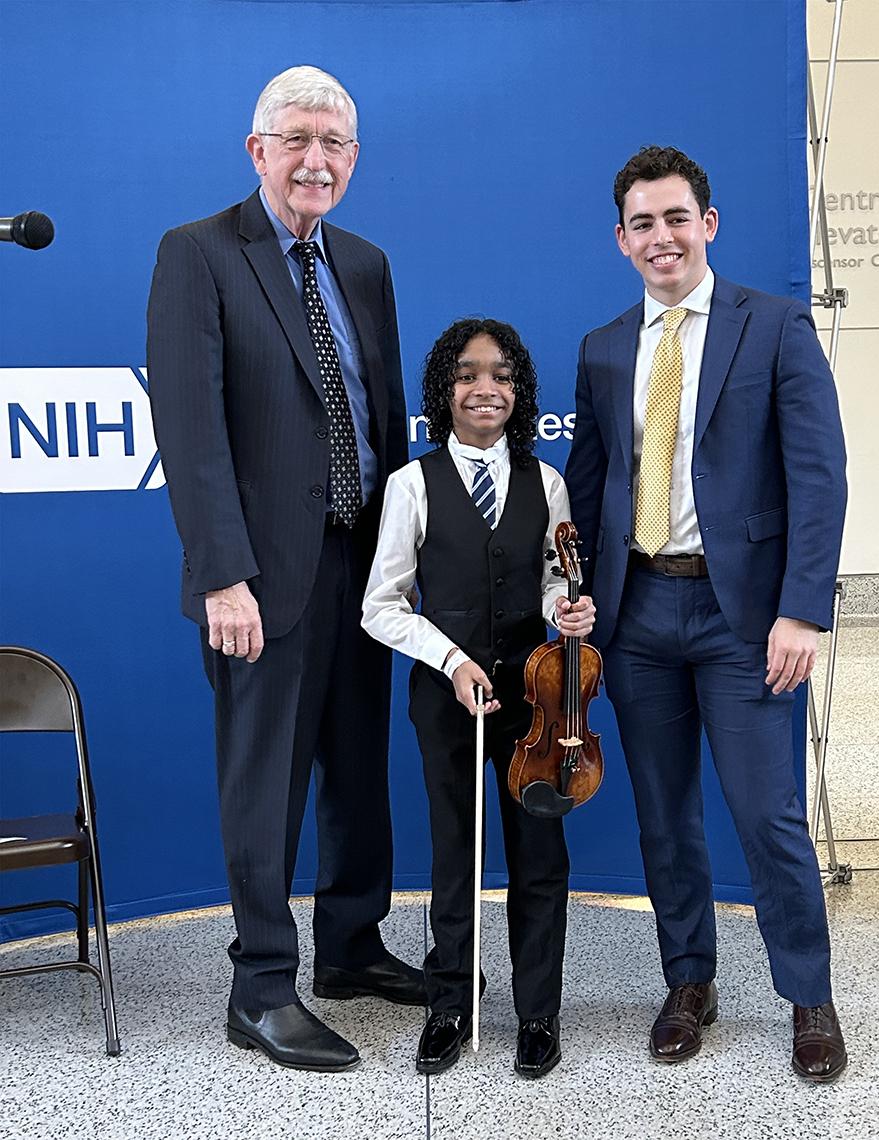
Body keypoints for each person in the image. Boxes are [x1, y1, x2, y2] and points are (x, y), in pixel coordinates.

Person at [146, 65, 423, 1073]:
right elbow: (191, 426)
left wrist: (404, 559)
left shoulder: (365, 262)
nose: (315, 160)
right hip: (260, 578)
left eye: (334, 144)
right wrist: (223, 575)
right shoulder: (199, 255)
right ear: (257, 149)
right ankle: (261, 984)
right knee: (264, 783)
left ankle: (351, 949)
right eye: (296, 139)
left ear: (354, 159)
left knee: (359, 769)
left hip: (361, 562)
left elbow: (381, 417)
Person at [565, 146, 849, 1082]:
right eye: (642, 223)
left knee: (767, 817)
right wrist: (580, 600)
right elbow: (593, 486)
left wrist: (801, 612)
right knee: (664, 818)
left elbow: (818, 477)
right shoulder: (605, 348)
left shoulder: (773, 328)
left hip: (747, 620)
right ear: (620, 240)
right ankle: (689, 981)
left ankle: (809, 996)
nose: (662, 237)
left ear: (709, 223)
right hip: (639, 614)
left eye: (677, 217)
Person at [362, 319, 595, 1078]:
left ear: (518, 390)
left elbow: (559, 582)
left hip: (536, 701)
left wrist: (570, 611)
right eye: (467, 375)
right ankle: (449, 1005)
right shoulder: (411, 484)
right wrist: (452, 658)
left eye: (499, 374)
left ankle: (537, 1014)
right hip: (448, 697)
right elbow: (382, 605)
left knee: (538, 854)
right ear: (445, 391)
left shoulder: (546, 482)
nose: (484, 387)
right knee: (455, 851)